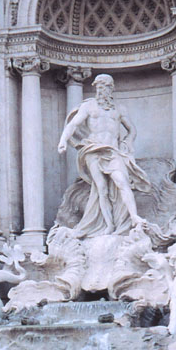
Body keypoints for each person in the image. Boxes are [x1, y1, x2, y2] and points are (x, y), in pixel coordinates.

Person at [58, 74, 151, 238]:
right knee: (101, 188)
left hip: (113, 151)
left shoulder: (119, 109)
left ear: (111, 88)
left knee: (122, 182)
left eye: (105, 86)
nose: (102, 89)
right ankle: (109, 225)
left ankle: (134, 217)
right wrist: (63, 140)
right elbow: (73, 124)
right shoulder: (89, 106)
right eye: (99, 86)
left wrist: (128, 141)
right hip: (93, 149)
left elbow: (132, 129)